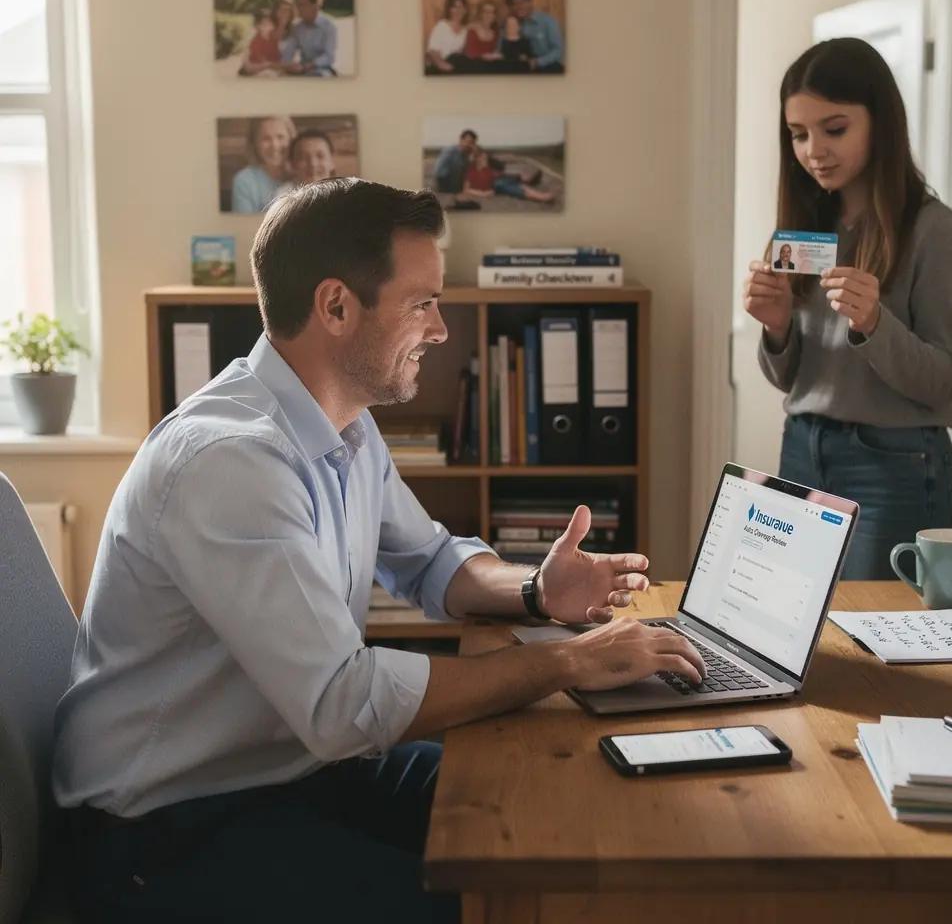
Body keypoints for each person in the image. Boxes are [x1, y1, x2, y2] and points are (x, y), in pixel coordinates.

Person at [53, 178, 706, 923]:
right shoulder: (228, 462)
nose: (441, 329)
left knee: (555, 809)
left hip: (292, 769)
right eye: (421, 303)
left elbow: (428, 560)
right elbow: (342, 702)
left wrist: (535, 591)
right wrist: (568, 661)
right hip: (166, 831)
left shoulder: (345, 426)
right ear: (336, 306)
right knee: (494, 901)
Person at [741, 37, 952, 581]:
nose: (813, 151)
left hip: (895, 466)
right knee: (799, 637)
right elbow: (794, 379)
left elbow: (945, 381)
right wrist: (776, 330)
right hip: (803, 447)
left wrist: (875, 324)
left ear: (881, 123)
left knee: (885, 648)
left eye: (835, 128)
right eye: (798, 134)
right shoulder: (803, 231)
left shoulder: (935, 232)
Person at [231, 116, 296, 214]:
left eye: (280, 137)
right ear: (255, 144)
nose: (275, 145)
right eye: (266, 139)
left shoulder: (303, 173)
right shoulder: (245, 181)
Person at [502, 0, 564, 73]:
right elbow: (505, 49)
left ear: (530, 1)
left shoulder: (548, 21)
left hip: (548, 67)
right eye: (514, 4)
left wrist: (538, 62)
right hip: (523, 69)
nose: (519, 6)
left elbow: (558, 50)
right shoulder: (511, 23)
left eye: (522, 2)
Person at [459, 147, 553, 205]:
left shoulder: (487, 170)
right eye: (484, 159)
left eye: (486, 158)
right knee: (505, 185)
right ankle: (541, 197)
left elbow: (496, 176)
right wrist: (482, 194)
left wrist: (516, 175)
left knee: (512, 182)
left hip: (497, 183)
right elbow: (466, 189)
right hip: (497, 186)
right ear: (478, 160)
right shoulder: (471, 172)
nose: (486, 161)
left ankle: (539, 195)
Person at [280, 0, 337, 77]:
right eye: (298, 5)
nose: (300, 9)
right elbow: (288, 52)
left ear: (315, 6)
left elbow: (329, 57)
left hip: (322, 69)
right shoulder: (298, 28)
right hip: (302, 68)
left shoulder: (328, 26)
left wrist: (311, 65)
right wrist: (287, 65)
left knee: (319, 76)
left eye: (303, 5)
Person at [425, 0, 469, 73]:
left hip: (455, 67)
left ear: (465, 10)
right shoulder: (442, 25)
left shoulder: (465, 30)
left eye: (461, 7)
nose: (458, 10)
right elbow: (432, 51)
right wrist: (440, 64)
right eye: (454, 7)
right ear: (449, 10)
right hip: (439, 67)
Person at [239, 9, 282, 77]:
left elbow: (277, 55)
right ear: (258, 26)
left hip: (271, 67)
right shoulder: (256, 40)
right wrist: (266, 64)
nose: (268, 26)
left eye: (270, 24)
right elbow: (254, 58)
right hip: (256, 68)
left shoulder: (273, 40)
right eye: (264, 24)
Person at [433, 128, 477, 194]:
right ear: (461, 140)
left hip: (458, 183)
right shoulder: (449, 152)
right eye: (468, 142)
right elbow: (439, 172)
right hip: (446, 182)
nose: (469, 145)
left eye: (472, 143)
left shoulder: (468, 154)